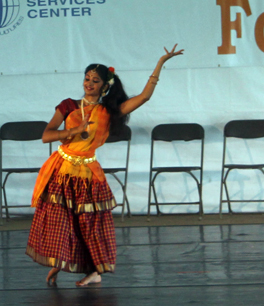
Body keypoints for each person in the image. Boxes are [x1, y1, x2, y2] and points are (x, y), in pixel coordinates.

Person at [26, 44, 184, 286]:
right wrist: (74, 130)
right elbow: (46, 135)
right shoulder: (68, 105)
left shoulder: (109, 111)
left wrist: (161, 63)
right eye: (87, 78)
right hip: (62, 169)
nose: (89, 83)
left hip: (88, 173)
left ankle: (95, 271)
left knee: (89, 224)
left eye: (95, 80)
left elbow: (144, 97)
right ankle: (59, 263)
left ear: (105, 85)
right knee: (60, 220)